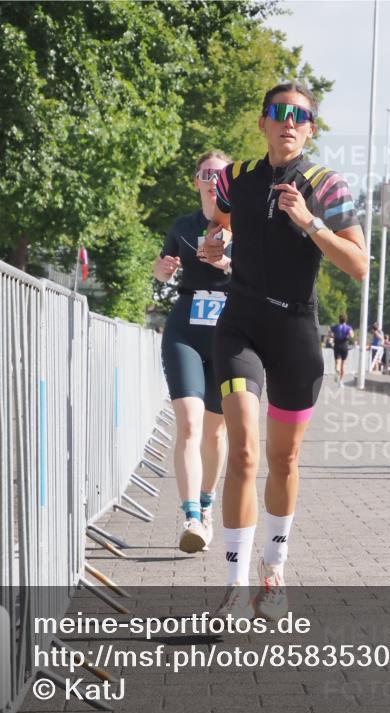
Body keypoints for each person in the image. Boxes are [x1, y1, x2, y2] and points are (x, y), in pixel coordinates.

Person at [206, 81, 367, 618]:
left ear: (310, 129)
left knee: (284, 457)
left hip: (296, 331)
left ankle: (273, 573)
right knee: (246, 453)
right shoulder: (236, 179)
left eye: (300, 116)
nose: (288, 122)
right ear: (263, 123)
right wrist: (215, 241)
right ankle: (231, 583)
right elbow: (222, 222)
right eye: (279, 113)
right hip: (241, 326)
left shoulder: (325, 185)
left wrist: (310, 222)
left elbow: (358, 264)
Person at [154, 150, 233, 553]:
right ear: (197, 181)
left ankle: (207, 503)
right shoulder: (183, 225)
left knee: (216, 431)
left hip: (227, 331)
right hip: (185, 326)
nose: (212, 179)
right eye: (206, 173)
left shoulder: (242, 225)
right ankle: (191, 517)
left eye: (220, 174)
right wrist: (162, 269)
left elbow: (258, 274)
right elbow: (162, 265)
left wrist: (227, 265)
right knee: (188, 422)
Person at [330, 313, 354, 386]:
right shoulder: (348, 327)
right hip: (344, 345)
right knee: (343, 364)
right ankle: (341, 381)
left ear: (339, 319)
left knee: (337, 361)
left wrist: (333, 337)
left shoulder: (334, 327)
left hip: (337, 345)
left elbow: (329, 334)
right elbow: (351, 335)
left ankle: (337, 370)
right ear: (346, 320)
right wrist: (347, 337)